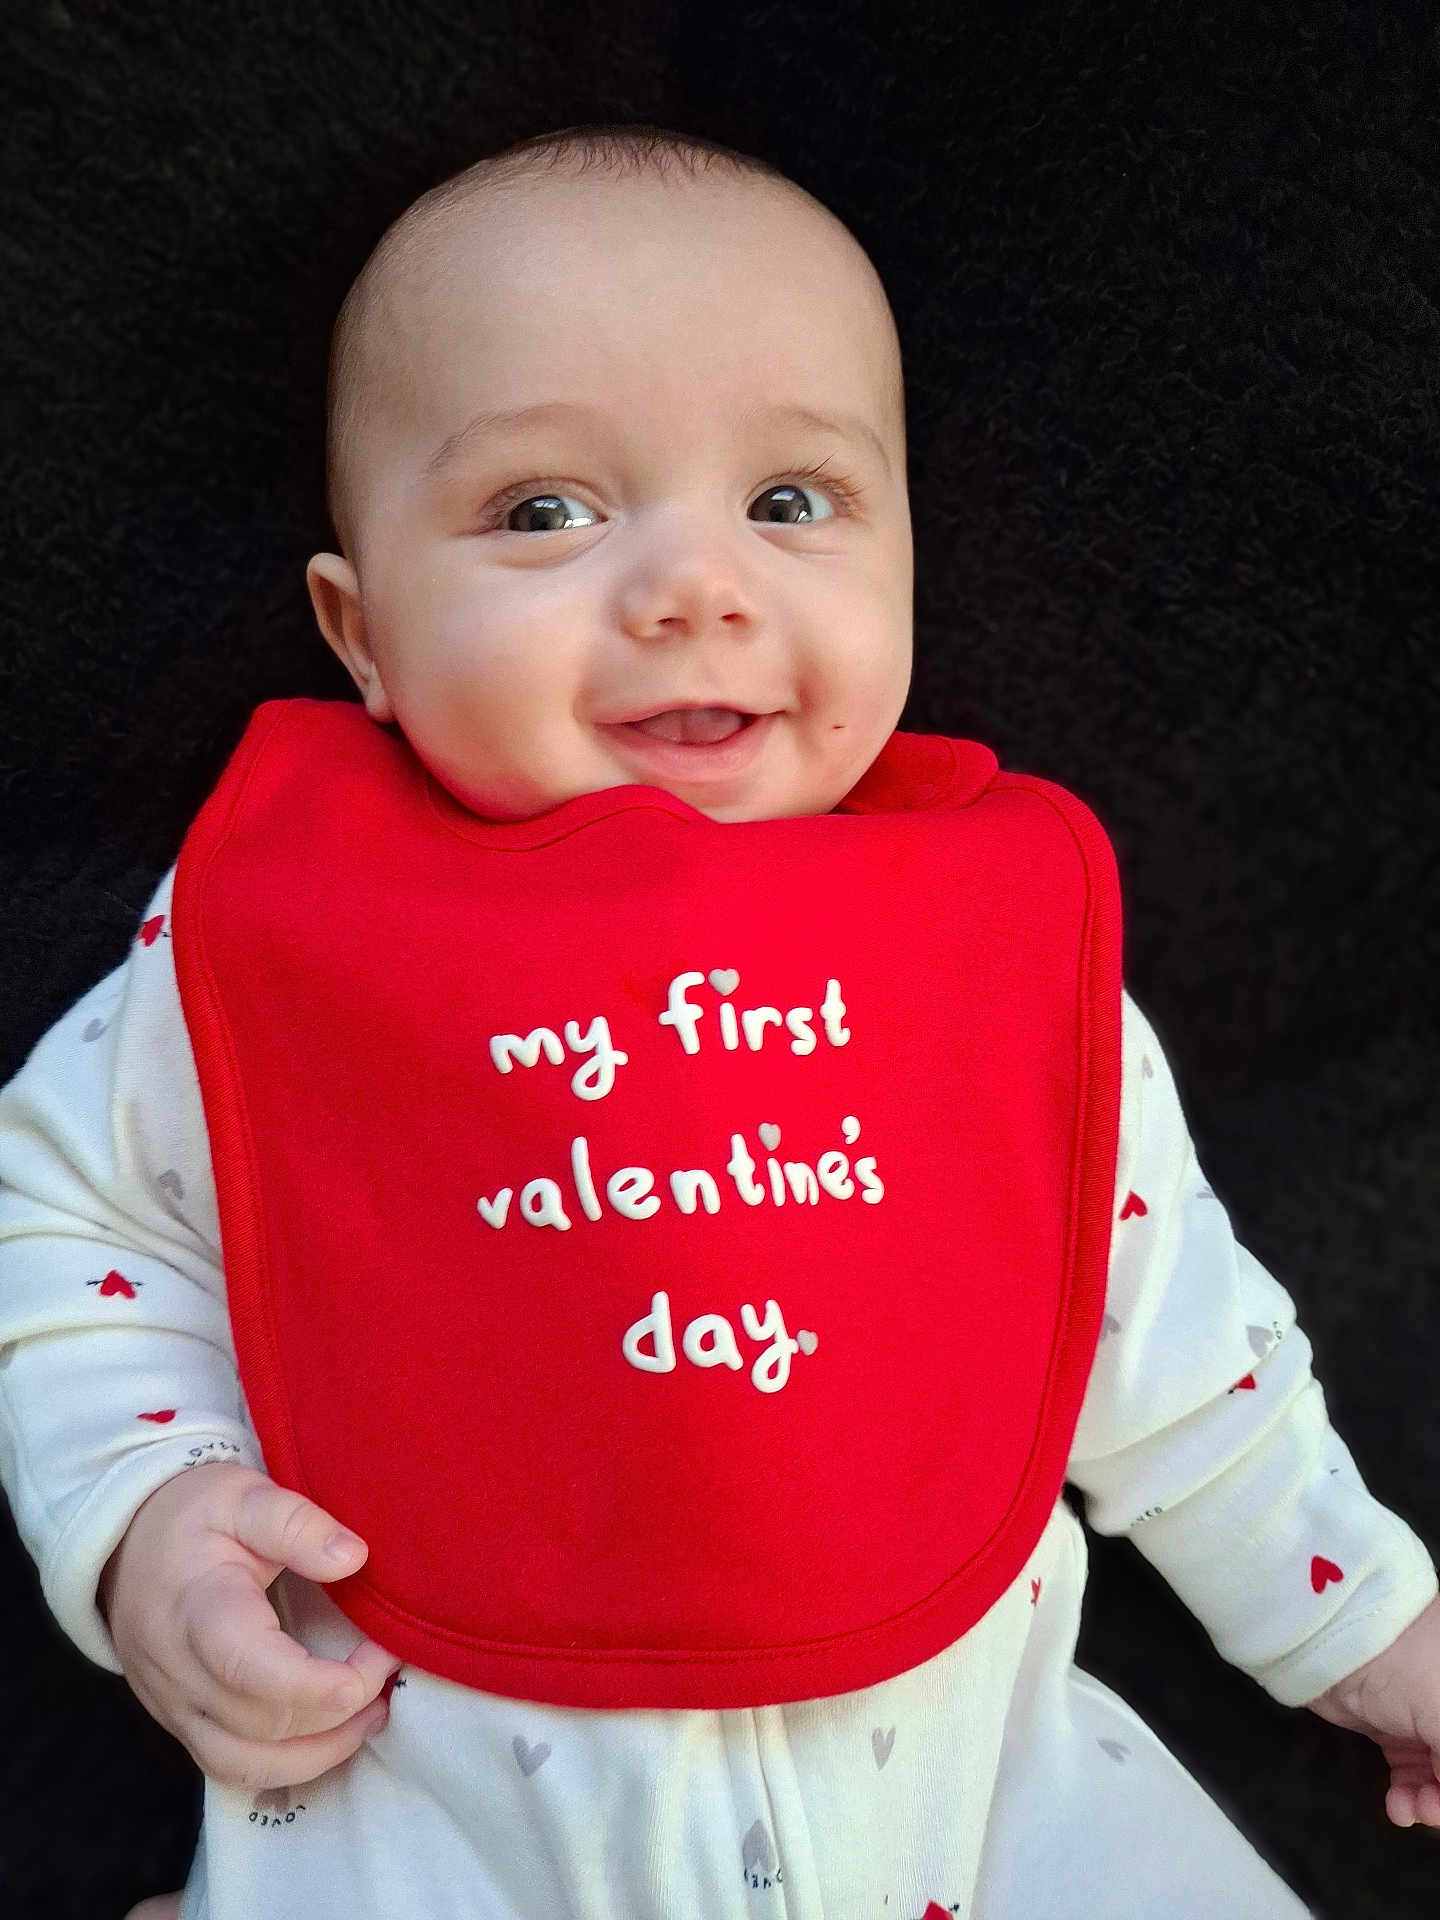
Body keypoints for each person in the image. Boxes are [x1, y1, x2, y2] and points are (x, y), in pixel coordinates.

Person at [1, 123, 1437, 1920]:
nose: (695, 586)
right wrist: (144, 1513)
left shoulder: (978, 947)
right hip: (439, 1809)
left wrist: (1370, 1625)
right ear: (360, 638)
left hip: (979, 1808)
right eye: (544, 513)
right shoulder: (281, 943)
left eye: (790, 502)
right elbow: (63, 1224)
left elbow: (1165, 1329)